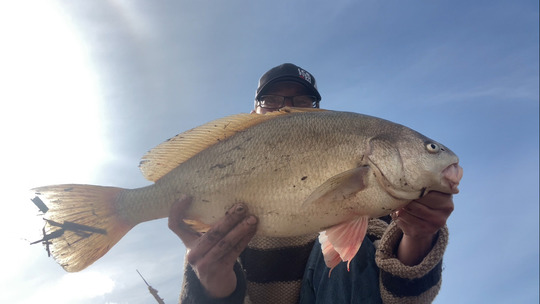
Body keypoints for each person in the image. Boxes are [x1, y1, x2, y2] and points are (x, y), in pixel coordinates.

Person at [168, 63, 455, 303]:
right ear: (253, 112)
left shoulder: (376, 198)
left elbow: (399, 299)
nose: (286, 109)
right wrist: (214, 287)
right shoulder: (221, 209)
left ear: (317, 112)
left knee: (356, 252)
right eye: (271, 101)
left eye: (303, 102)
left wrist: (418, 237)